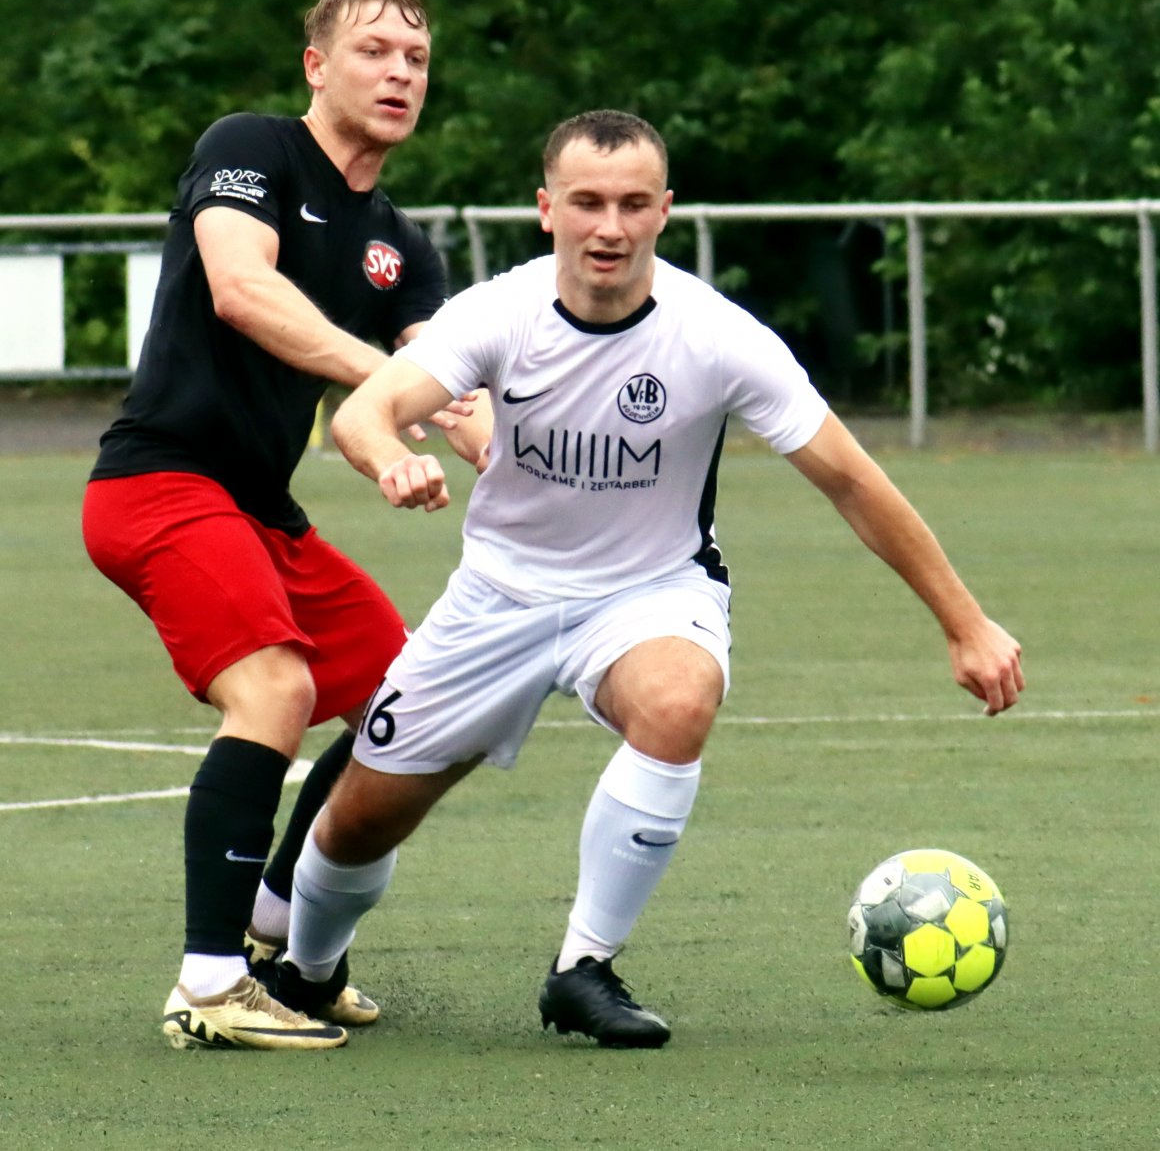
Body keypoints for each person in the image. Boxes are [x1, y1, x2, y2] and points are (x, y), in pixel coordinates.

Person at [268, 109, 1025, 1049]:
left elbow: (850, 478)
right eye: (586, 202)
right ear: (547, 210)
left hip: (649, 594)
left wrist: (967, 623)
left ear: (665, 211)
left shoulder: (717, 336)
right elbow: (367, 411)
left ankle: (583, 968)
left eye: (633, 204)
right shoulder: (499, 314)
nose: (609, 227)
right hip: (496, 598)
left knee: (679, 702)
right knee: (354, 826)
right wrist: (390, 458)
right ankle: (304, 968)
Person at [81, 0, 489, 1051]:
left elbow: (446, 385)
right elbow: (239, 289)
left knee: (409, 703)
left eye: (416, 56)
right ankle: (208, 984)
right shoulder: (251, 147)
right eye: (373, 51)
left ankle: (272, 932)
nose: (399, 71)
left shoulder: (404, 241)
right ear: (318, 66)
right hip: (159, 480)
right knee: (275, 684)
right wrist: (389, 396)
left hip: (262, 510)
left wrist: (495, 429)